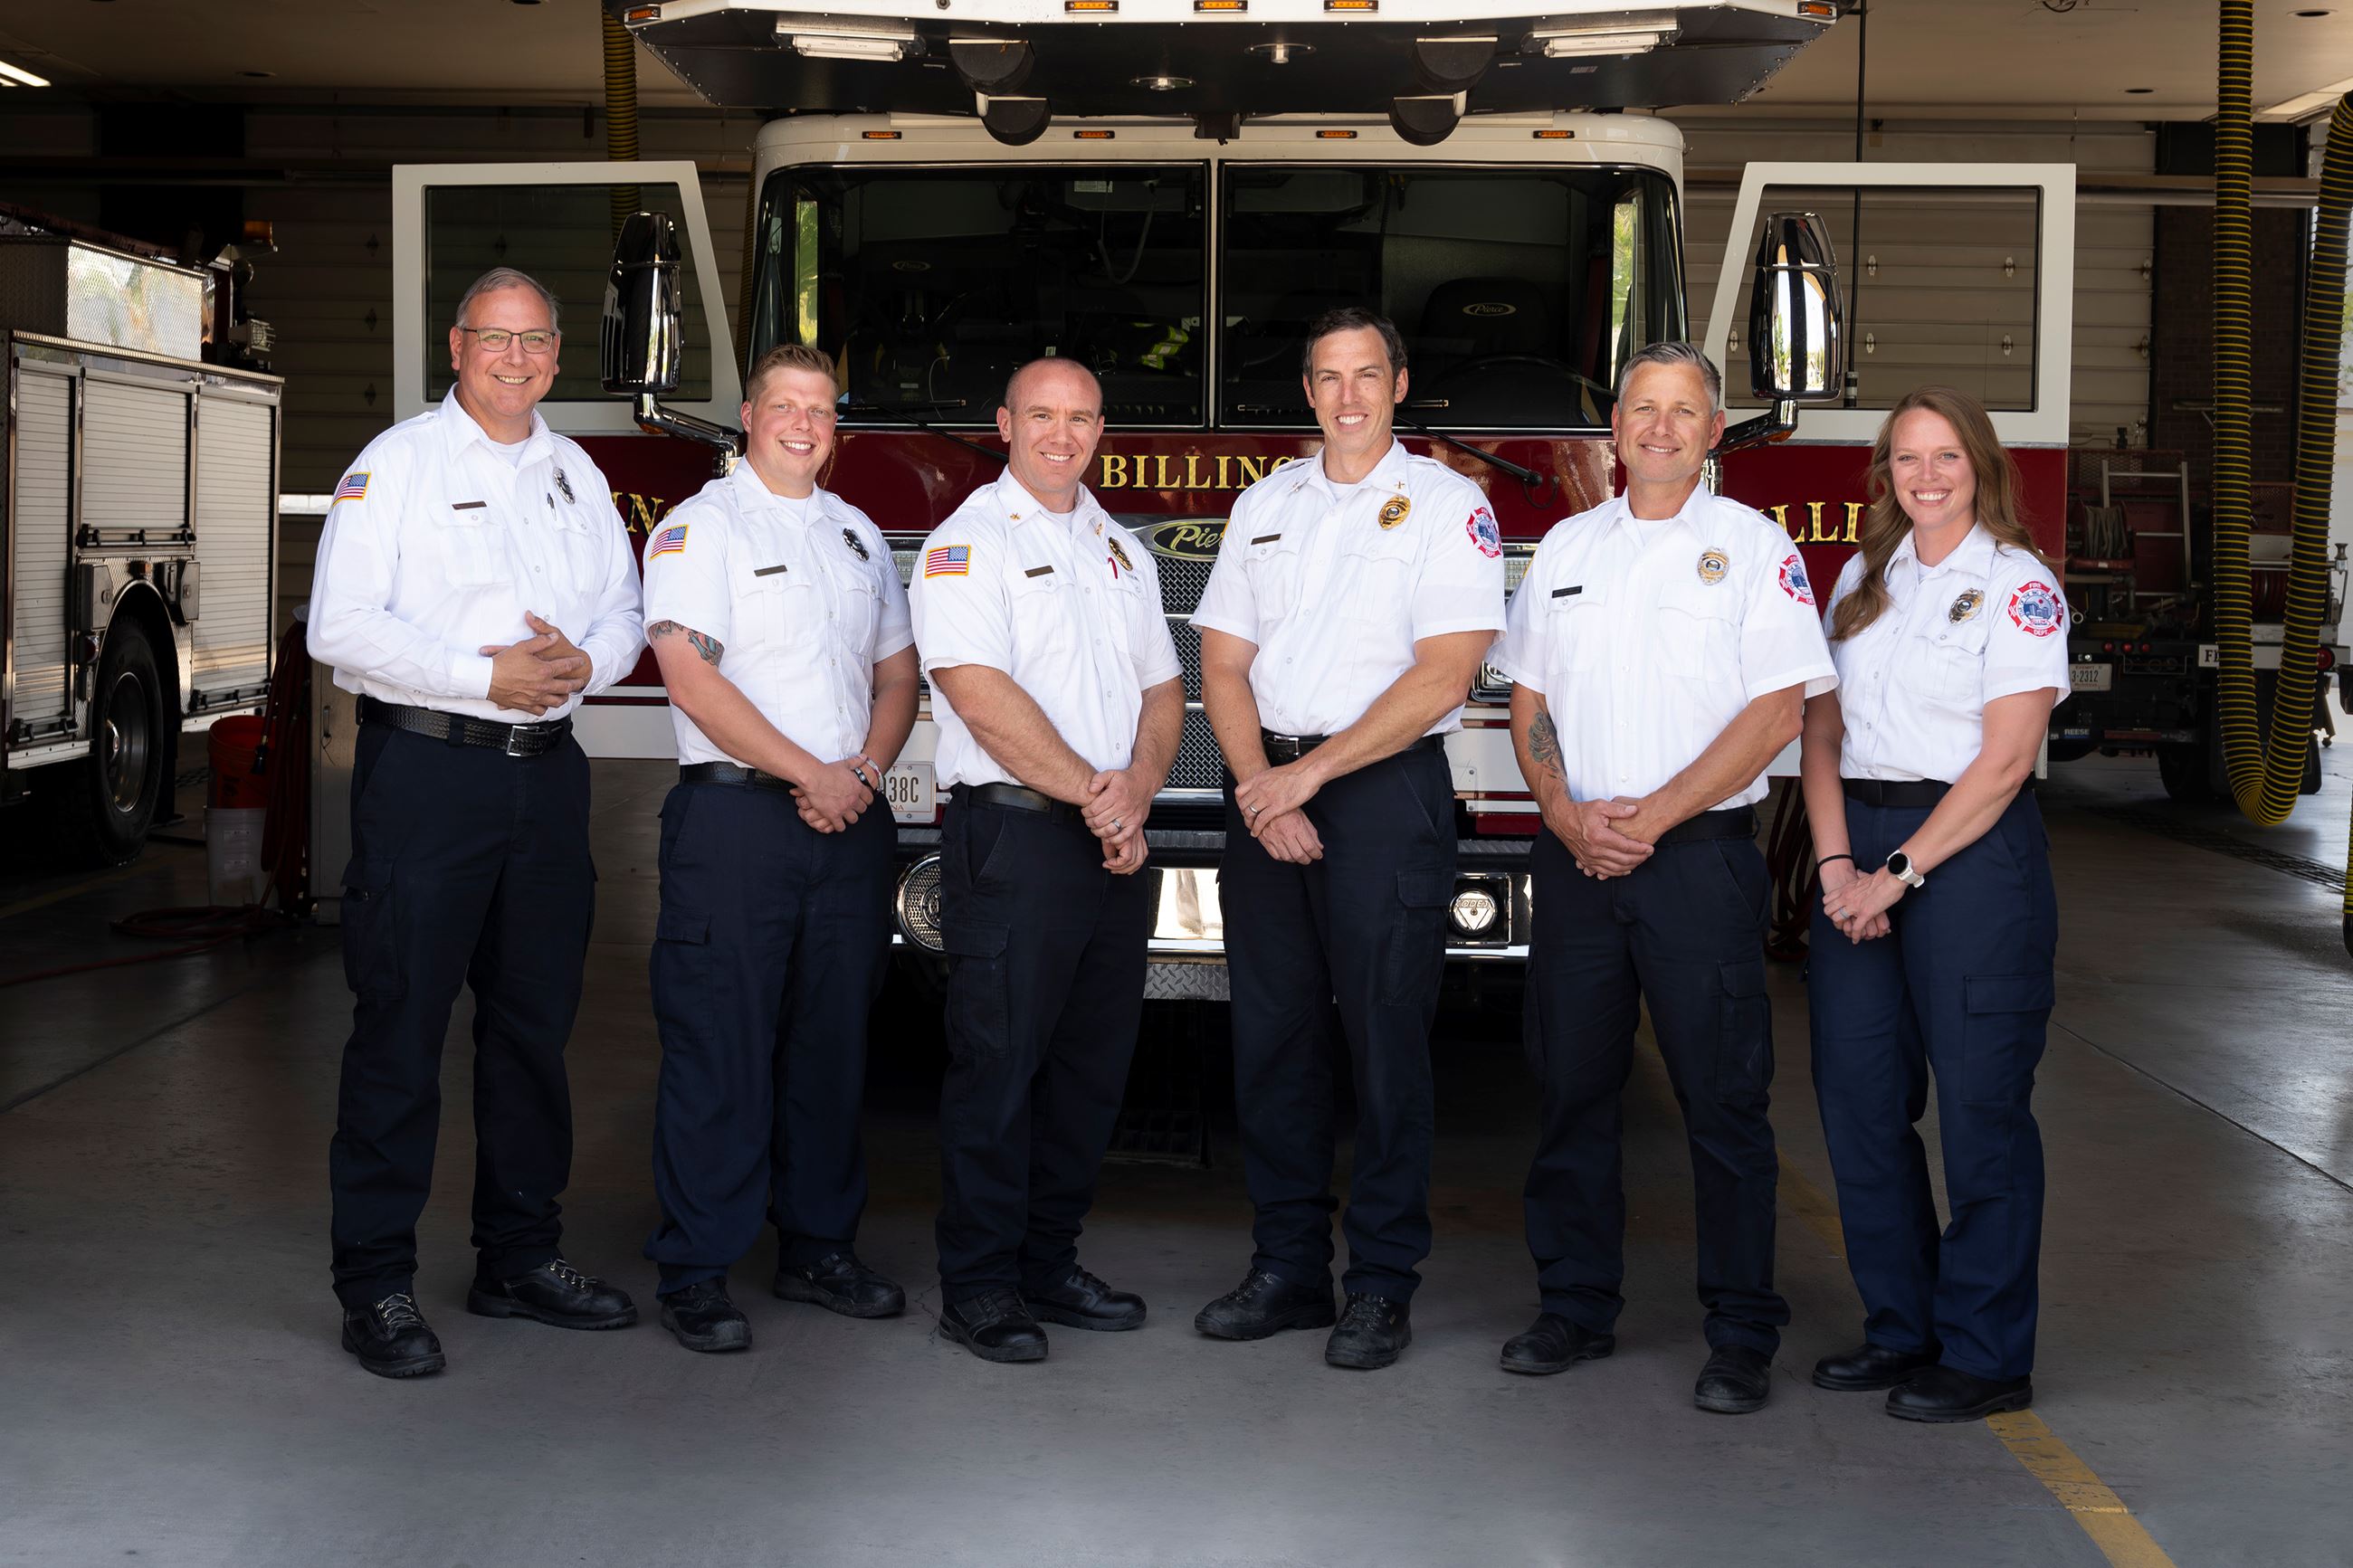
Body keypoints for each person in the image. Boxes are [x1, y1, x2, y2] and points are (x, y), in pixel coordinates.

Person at [309, 267, 645, 1378]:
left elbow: (625, 605)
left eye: (535, 341)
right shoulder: (395, 466)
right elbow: (339, 628)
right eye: (494, 340)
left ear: (556, 354)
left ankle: (518, 1256)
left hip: (546, 778)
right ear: (456, 348)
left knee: (531, 1030)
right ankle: (378, 1284)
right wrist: (478, 673)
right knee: (399, 1027)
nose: (516, 358)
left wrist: (586, 661)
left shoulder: (574, 469)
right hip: (429, 775)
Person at [1491, 340, 1835, 1413]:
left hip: (1694, 863)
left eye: (1682, 410)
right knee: (1570, 1091)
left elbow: (1776, 711)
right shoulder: (1562, 546)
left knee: (1722, 1104)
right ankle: (1574, 1304)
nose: (1658, 427)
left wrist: (1653, 818)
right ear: (1613, 427)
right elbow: (1528, 700)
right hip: (1577, 857)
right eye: (1641, 408)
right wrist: (1563, 813)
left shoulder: (1754, 547)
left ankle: (1737, 1331)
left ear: (1711, 428)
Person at [1189, 308, 1505, 1372]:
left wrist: (1302, 781)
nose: (1348, 395)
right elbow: (1223, 662)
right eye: (1328, 377)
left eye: (1367, 374)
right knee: (1271, 1039)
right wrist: (1256, 786)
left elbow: (1444, 673)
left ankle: (1378, 1284)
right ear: (1310, 391)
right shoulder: (1261, 505)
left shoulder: (1449, 505)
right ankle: (1286, 1268)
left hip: (1378, 792)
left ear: (1398, 383)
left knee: (1384, 1043)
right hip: (1266, 785)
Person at [636, 344, 920, 1353]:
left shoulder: (856, 537)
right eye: (785, 404)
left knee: (831, 1045)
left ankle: (816, 1247)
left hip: (848, 818)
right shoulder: (696, 529)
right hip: (736, 821)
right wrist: (813, 773)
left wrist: (865, 772)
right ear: (749, 416)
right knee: (720, 1044)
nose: (803, 422)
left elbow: (896, 672)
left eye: (821, 409)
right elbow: (690, 676)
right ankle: (697, 1265)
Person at [909, 357, 1185, 1364]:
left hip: (1111, 838)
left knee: (1088, 1067)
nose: (1059, 434)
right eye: (1039, 415)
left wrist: (1134, 792)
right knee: (998, 1064)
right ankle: (977, 1285)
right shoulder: (964, 544)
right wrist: (1094, 791)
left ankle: (1047, 1260)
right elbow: (975, 690)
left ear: (1099, 428)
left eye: (1077, 417)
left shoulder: (1121, 547)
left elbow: (1162, 691)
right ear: (1004, 421)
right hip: (1016, 836)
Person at [1800, 385, 2068, 1422]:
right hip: (1854, 844)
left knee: (1980, 1112)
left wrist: (1895, 875)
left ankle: (1985, 1350)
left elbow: (2002, 762)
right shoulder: (1863, 576)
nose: (1924, 475)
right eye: (1906, 458)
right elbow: (1817, 734)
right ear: (1885, 473)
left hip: (1967, 859)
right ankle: (1900, 1329)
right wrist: (1833, 868)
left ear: (1980, 465)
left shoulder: (2018, 586)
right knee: (1861, 1105)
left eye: (1944, 456)